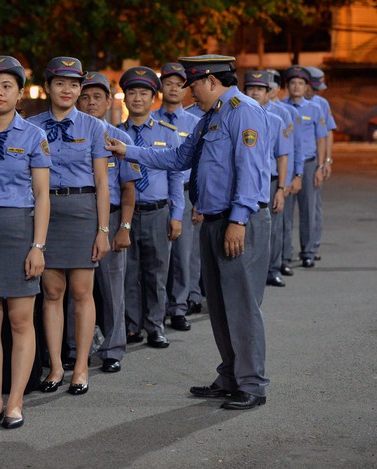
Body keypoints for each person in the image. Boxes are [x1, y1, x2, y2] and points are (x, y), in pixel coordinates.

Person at [106, 55, 271, 410]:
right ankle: (230, 376)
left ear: (211, 80)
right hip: (213, 220)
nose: (188, 93)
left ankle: (253, 384)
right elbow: (179, 158)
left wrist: (238, 220)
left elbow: (251, 170)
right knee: (221, 307)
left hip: (236, 221)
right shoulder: (209, 117)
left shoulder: (243, 111)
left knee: (241, 306)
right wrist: (127, 151)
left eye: (192, 85)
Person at [0, 56, 51, 429]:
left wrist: (38, 246)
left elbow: (43, 196)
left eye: (6, 86)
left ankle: (16, 401)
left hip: (18, 230)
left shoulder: (34, 136)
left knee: (20, 321)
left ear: (20, 93)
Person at [28, 56, 111, 395]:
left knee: (81, 293)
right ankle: (57, 367)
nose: (68, 90)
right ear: (47, 87)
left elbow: (103, 183)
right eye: (60, 83)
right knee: (51, 292)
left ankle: (81, 368)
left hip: (81, 211)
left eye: (74, 84)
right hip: (44, 210)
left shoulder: (94, 127)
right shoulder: (31, 126)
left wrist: (103, 230)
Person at [66, 71, 141, 373]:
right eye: (85, 96)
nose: (91, 102)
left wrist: (124, 228)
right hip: (79, 217)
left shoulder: (120, 138)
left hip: (110, 217)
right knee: (76, 289)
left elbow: (128, 189)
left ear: (109, 101)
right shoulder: (68, 135)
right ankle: (73, 348)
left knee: (112, 290)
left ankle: (112, 349)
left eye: (97, 96)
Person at [118, 66, 184, 348]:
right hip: (127, 214)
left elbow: (176, 174)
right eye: (131, 92)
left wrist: (177, 215)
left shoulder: (167, 133)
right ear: (123, 98)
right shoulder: (116, 134)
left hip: (158, 211)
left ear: (153, 98)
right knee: (129, 273)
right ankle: (132, 326)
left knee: (157, 272)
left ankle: (155, 326)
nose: (137, 98)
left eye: (144, 92)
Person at [152, 62, 201, 329]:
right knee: (158, 257)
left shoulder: (194, 123)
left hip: (184, 193)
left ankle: (179, 306)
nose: (173, 88)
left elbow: (201, 164)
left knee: (183, 254)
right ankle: (154, 311)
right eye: (168, 83)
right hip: (157, 195)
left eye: (179, 84)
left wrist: (199, 199)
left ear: (186, 90)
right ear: (160, 87)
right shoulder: (149, 121)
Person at [243, 71, 290, 287]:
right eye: (251, 88)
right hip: (245, 181)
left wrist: (281, 187)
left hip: (269, 181)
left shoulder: (276, 120)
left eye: (259, 89)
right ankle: (249, 273)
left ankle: (273, 269)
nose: (254, 92)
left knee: (273, 227)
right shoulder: (238, 117)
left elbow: (282, 156)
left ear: (267, 93)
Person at [281, 66, 328, 268]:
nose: (297, 87)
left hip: (308, 164)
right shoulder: (281, 108)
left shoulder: (315, 109)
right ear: (287, 86)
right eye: (293, 83)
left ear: (306, 86)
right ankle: (284, 254)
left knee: (308, 210)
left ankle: (308, 251)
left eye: (301, 83)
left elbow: (321, 139)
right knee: (284, 212)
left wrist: (321, 165)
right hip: (286, 166)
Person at [266, 68, 298, 277]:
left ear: (278, 88)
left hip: (275, 177)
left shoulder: (283, 114)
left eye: (270, 85)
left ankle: (276, 265)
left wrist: (290, 179)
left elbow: (289, 150)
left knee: (278, 224)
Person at [304, 66, 336, 261]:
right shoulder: (285, 104)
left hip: (314, 161)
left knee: (314, 206)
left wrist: (326, 161)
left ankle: (312, 247)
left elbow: (327, 133)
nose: (314, 92)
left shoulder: (321, 104)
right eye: (312, 87)